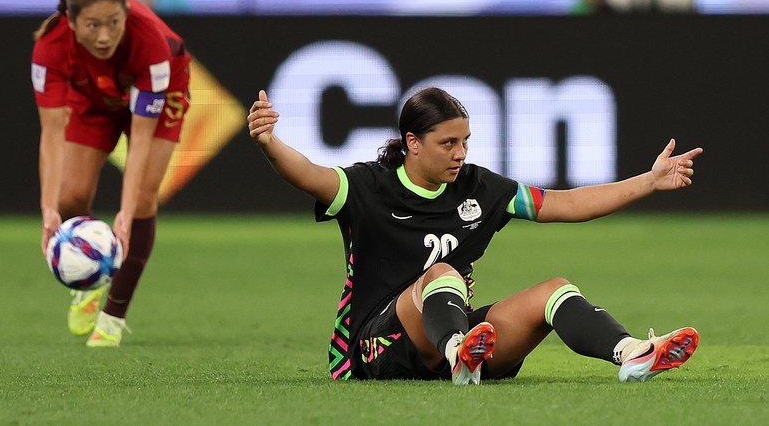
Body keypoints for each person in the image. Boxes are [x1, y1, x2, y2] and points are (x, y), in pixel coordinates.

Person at [248, 86, 702, 383]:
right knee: (443, 273)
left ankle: (632, 353)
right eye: (449, 143)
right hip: (375, 349)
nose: (460, 153)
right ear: (412, 142)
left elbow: (566, 204)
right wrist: (270, 144)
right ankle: (458, 353)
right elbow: (307, 174)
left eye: (465, 141)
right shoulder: (368, 185)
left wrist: (649, 180)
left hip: (461, 334)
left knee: (555, 291)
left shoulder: (480, 188)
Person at [31, 0, 191, 348]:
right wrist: (47, 209)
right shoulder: (50, 47)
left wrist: (123, 212)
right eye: (92, 25)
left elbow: (140, 137)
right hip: (94, 100)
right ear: (71, 22)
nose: (104, 36)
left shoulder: (150, 43)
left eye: (114, 23)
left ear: (127, 13)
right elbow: (51, 135)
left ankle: (113, 317)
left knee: (141, 201)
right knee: (69, 196)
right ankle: (88, 274)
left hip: (162, 94)